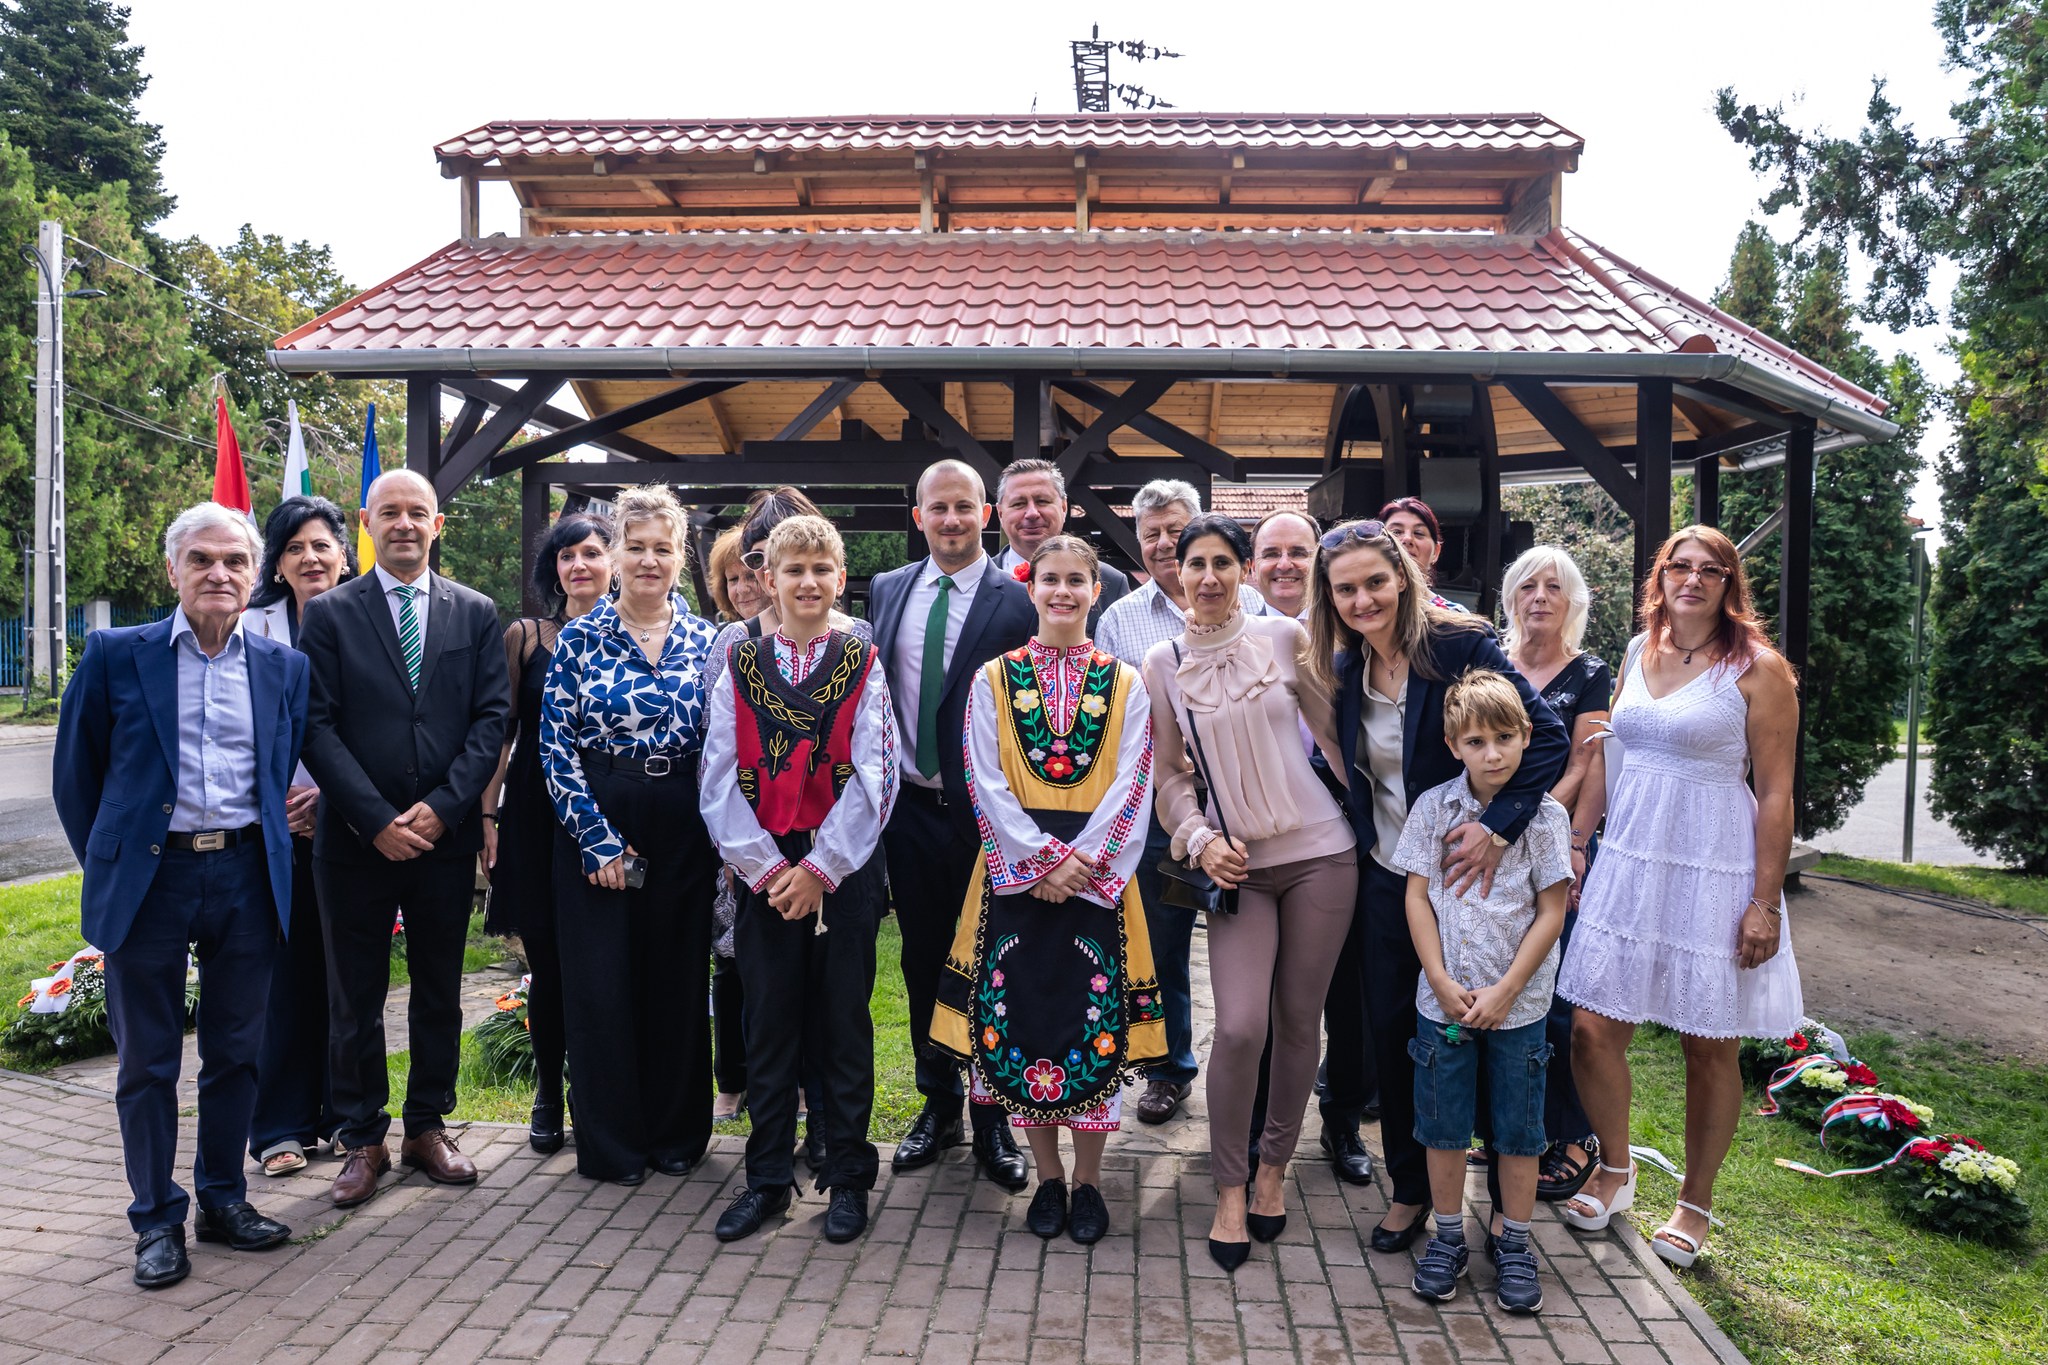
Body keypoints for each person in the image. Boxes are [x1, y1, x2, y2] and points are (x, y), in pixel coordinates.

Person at [53, 502, 308, 1288]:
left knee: (236, 1051)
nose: (218, 573)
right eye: (201, 559)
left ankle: (223, 1199)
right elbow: (76, 777)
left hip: (245, 875)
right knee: (147, 1060)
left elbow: (280, 769)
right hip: (151, 881)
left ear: (255, 573)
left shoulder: (283, 667)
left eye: (235, 560)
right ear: (173, 570)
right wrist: (116, 863)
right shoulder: (114, 654)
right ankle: (156, 1219)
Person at [1308, 518, 1567, 1254]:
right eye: (1346, 589)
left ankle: (1504, 1208)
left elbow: (1545, 735)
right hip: (1391, 878)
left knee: (1501, 1043)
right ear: (1331, 597)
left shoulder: (1459, 647)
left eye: (1375, 582)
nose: (1363, 599)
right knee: (1399, 1040)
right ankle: (1412, 1191)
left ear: (1402, 577)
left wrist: (1499, 827)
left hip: (1475, 883)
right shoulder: (1342, 666)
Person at [1558, 527, 1802, 1269]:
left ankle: (1695, 1203)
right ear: (1659, 577)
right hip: (1630, 861)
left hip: (1713, 868)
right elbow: (1610, 756)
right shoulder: (1638, 650)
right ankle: (1615, 1168)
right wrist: (1578, 840)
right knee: (1590, 1029)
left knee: (1708, 1043)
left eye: (1710, 570)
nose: (1692, 579)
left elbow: (1777, 793)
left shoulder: (1760, 670)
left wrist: (1764, 902)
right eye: (1679, 567)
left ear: (1730, 585)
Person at [931, 534, 1161, 1247]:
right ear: (1030, 589)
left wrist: (1082, 865)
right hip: (1014, 873)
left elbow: (1135, 778)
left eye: (1076, 580)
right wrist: (1037, 862)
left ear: (1097, 590)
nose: (1063, 592)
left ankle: (1089, 1179)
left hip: (1096, 877)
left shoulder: (1127, 682)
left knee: (1090, 1023)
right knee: (1021, 1019)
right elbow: (983, 777)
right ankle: (1048, 1176)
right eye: (1050, 579)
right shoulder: (992, 679)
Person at [1144, 514, 1357, 1270]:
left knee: (1298, 1022)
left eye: (1222, 563)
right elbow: (1169, 775)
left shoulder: (1283, 637)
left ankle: (1272, 1172)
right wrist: (1199, 837)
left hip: (1322, 855)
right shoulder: (1162, 661)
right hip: (1236, 867)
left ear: (1244, 571)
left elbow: (1336, 741)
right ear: (1177, 572)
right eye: (1194, 563)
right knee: (1238, 1028)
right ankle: (1228, 1187)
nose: (1208, 577)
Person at [301, 469, 511, 1208]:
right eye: (389, 512)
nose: (404, 524)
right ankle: (363, 1137)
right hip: (354, 844)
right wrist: (373, 818)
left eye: (417, 512)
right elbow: (315, 724)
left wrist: (444, 809)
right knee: (354, 995)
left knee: (439, 991)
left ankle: (427, 1125)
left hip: (441, 844)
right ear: (366, 522)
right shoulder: (329, 614)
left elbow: (491, 720)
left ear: (437, 524)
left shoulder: (475, 612)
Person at [702, 514, 898, 1244]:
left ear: (840, 579)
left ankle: (846, 1177)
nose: (808, 582)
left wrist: (821, 868)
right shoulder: (740, 663)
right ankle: (766, 1180)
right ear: (769, 580)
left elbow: (877, 772)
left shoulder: (863, 659)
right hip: (765, 868)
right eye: (793, 570)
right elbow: (718, 774)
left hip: (841, 865)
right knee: (768, 1024)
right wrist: (766, 867)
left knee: (842, 1025)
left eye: (821, 569)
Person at [541, 486, 723, 1186]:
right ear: (615, 553)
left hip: (684, 817)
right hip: (600, 812)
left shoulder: (707, 641)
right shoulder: (579, 639)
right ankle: (612, 1144)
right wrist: (597, 839)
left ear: (681, 557)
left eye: (662, 548)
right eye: (636, 546)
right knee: (602, 985)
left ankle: (677, 1134)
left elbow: (723, 745)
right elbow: (554, 747)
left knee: (677, 978)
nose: (649, 560)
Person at [870, 458, 1036, 1191]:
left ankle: (992, 1118)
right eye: (937, 508)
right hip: (908, 811)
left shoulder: (1018, 600)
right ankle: (937, 1104)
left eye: (964, 506)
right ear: (918, 516)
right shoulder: (887, 589)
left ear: (986, 513)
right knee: (922, 962)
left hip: (988, 816)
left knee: (991, 965)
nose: (951, 519)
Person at [1394, 669, 1572, 1314]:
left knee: (1519, 1131)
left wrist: (1507, 990)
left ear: (1526, 735)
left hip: (1518, 1009)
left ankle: (1515, 1243)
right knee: (1442, 1126)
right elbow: (1417, 896)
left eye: (1504, 738)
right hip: (1442, 1004)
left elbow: (1552, 912)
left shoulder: (1546, 817)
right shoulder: (1433, 808)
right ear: (1453, 746)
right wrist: (1439, 979)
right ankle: (1447, 1238)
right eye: (1476, 742)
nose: (1492, 754)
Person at [1094, 479, 1268, 1125]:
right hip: (1159, 809)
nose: (1165, 543)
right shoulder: (1120, 618)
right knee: (1163, 943)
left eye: (1176, 529)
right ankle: (1169, 1068)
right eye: (1152, 534)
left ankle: (1255, 1072)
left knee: (1254, 940)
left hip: (1249, 805)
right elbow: (1110, 716)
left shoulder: (1254, 603)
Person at [1246, 507, 1378, 1186]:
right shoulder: (1234, 638)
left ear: (1319, 564)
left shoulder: (1354, 639)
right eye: (1271, 552)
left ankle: (1342, 1119)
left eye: (1299, 551)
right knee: (1268, 994)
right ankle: (1259, 1126)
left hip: (1346, 824)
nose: (1285, 564)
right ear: (1252, 567)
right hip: (1266, 831)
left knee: (1349, 994)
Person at [478, 511, 613, 1155]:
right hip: (533, 813)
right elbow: (500, 735)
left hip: (606, 814)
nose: (578, 564)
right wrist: (488, 819)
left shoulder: (630, 637)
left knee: (597, 960)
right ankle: (548, 1094)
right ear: (553, 569)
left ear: (613, 562)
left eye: (591, 552)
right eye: (566, 555)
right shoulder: (526, 636)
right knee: (549, 964)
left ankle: (597, 1093)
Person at [1495, 546, 1613, 1206]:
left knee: (1557, 998)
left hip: (1550, 846)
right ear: (1511, 596)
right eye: (1528, 585)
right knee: (1500, 985)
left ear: (1573, 602)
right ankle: (1510, 1129)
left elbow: (1588, 763)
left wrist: (1566, 837)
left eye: (1554, 587)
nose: (1540, 596)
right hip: (1489, 848)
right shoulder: (1492, 661)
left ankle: (1571, 1137)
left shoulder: (1589, 673)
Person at [244, 496, 355, 1180]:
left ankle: (346, 1116)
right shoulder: (249, 626)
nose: (310, 558)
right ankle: (280, 1124)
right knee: (284, 978)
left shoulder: (371, 618)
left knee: (346, 976)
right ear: (277, 563)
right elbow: (230, 730)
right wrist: (271, 807)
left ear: (344, 552)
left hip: (350, 823)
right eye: (294, 548)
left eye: (321, 545)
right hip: (273, 829)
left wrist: (336, 798)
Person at [703, 524, 757, 1123]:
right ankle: (731, 1079)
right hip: (731, 824)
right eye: (731, 579)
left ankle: (795, 1080)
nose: (742, 588)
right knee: (730, 958)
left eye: (750, 575)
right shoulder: (728, 641)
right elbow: (711, 740)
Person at [992, 457, 1130, 628]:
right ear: (1000, 513)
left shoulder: (1112, 582)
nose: (1032, 513)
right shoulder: (979, 581)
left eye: (1042, 501)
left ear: (1064, 507)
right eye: (1019, 504)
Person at [1381, 497, 1471, 612]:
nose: (1407, 539)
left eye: (1418, 533)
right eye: (1396, 532)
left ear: (1436, 552)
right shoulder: (1364, 609)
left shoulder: (1455, 617)